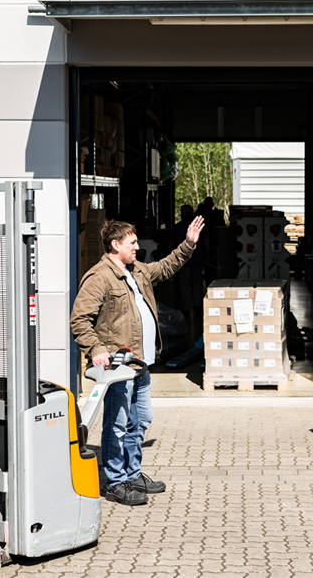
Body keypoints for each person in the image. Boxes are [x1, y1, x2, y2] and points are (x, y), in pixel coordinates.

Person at [70, 216, 205, 505]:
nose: (137, 247)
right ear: (115, 244)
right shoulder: (100, 277)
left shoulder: (137, 270)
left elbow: (165, 267)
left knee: (140, 421)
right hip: (118, 367)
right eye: (132, 243)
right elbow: (80, 320)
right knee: (117, 425)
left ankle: (132, 473)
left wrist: (188, 245)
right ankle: (115, 482)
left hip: (140, 365)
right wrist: (96, 350)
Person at [173, 205, 205, 342]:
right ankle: (197, 305)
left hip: (183, 263)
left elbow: (170, 243)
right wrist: (207, 254)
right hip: (197, 260)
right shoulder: (197, 227)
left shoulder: (178, 227)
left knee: (184, 285)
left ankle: (187, 307)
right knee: (198, 284)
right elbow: (207, 241)